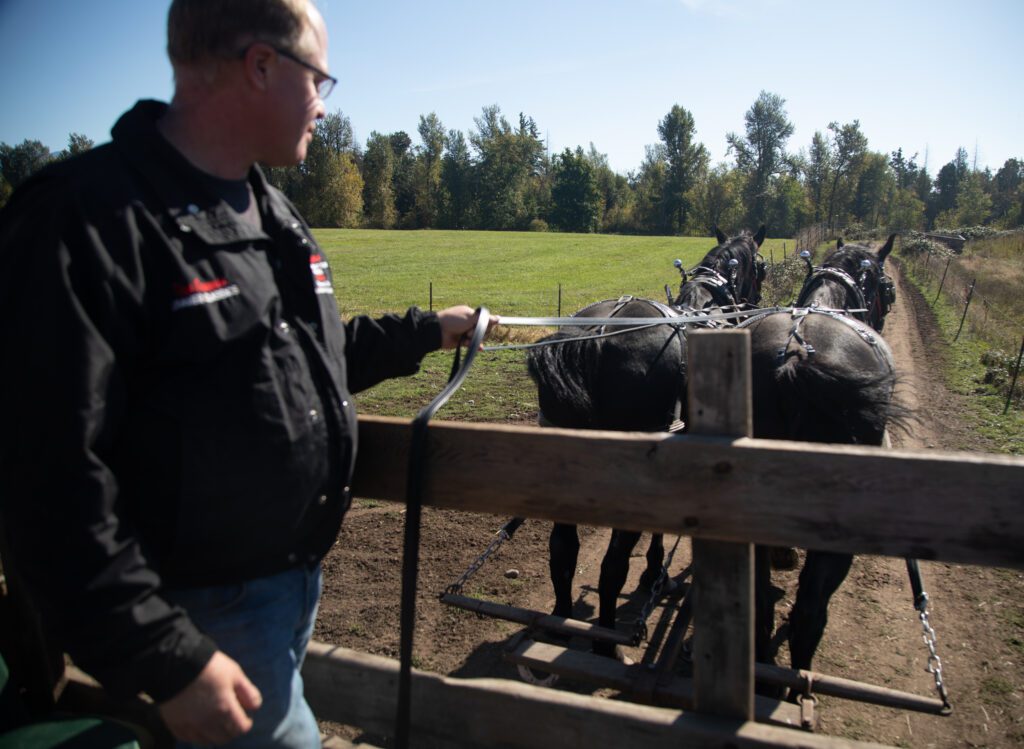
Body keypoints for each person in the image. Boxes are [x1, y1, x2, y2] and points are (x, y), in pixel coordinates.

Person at [0, 0, 492, 746]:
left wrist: (427, 329)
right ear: (261, 65)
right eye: (320, 80)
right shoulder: (89, 222)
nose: (326, 108)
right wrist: (169, 657)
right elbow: (47, 478)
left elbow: (307, 360)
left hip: (286, 594)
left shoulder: (273, 215)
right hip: (199, 616)